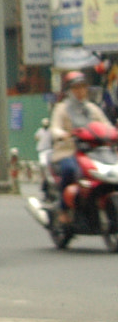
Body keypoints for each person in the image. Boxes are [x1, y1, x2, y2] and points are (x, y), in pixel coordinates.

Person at [49, 71, 105, 225]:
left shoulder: (92, 109)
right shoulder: (61, 108)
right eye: (76, 88)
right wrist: (64, 134)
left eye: (83, 87)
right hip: (68, 151)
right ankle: (63, 209)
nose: (80, 91)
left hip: (94, 153)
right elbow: (55, 128)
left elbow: (106, 126)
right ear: (69, 90)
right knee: (70, 171)